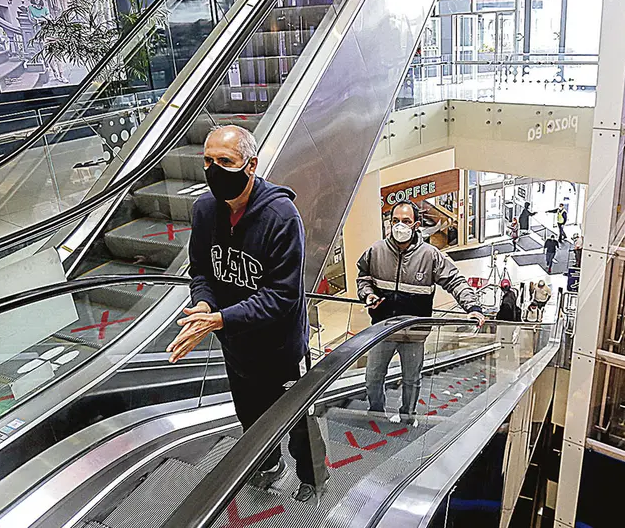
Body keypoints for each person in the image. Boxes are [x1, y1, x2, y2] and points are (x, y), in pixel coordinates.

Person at [167, 125, 323, 502]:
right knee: (250, 415)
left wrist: (219, 319)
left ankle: (313, 477)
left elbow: (282, 295)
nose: (214, 170)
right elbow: (202, 271)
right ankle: (268, 464)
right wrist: (204, 306)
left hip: (281, 349)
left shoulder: (281, 217)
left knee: (299, 422)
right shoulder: (205, 210)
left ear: (250, 165)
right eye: (207, 161)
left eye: (225, 161)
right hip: (236, 347)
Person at [358, 200, 486, 423]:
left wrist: (472, 307)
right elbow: (363, 277)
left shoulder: (430, 255)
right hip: (382, 331)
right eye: (395, 221)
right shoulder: (376, 251)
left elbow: (455, 281)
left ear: (416, 225)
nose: (400, 226)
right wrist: (367, 294)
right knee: (373, 377)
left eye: (406, 221)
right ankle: (376, 412)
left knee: (411, 380)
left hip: (414, 333)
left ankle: (408, 415)